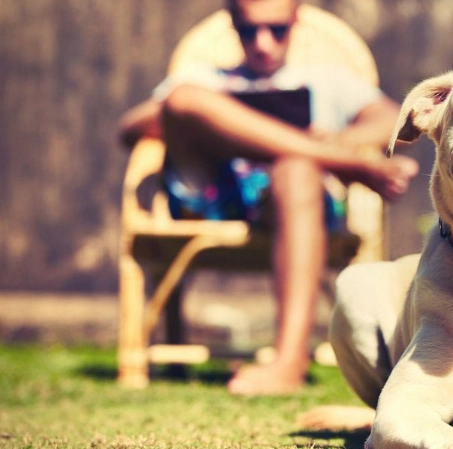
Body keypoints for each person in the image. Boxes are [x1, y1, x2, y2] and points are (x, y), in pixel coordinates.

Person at [117, 0, 419, 396]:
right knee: (185, 98)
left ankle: (288, 362)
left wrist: (332, 141)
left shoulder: (328, 80)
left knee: (296, 169)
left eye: (276, 30)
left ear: (296, 23)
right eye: (249, 31)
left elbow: (393, 119)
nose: (262, 44)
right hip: (214, 199)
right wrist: (338, 159)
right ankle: (330, 162)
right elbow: (132, 127)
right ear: (233, 26)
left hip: (301, 203)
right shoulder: (206, 78)